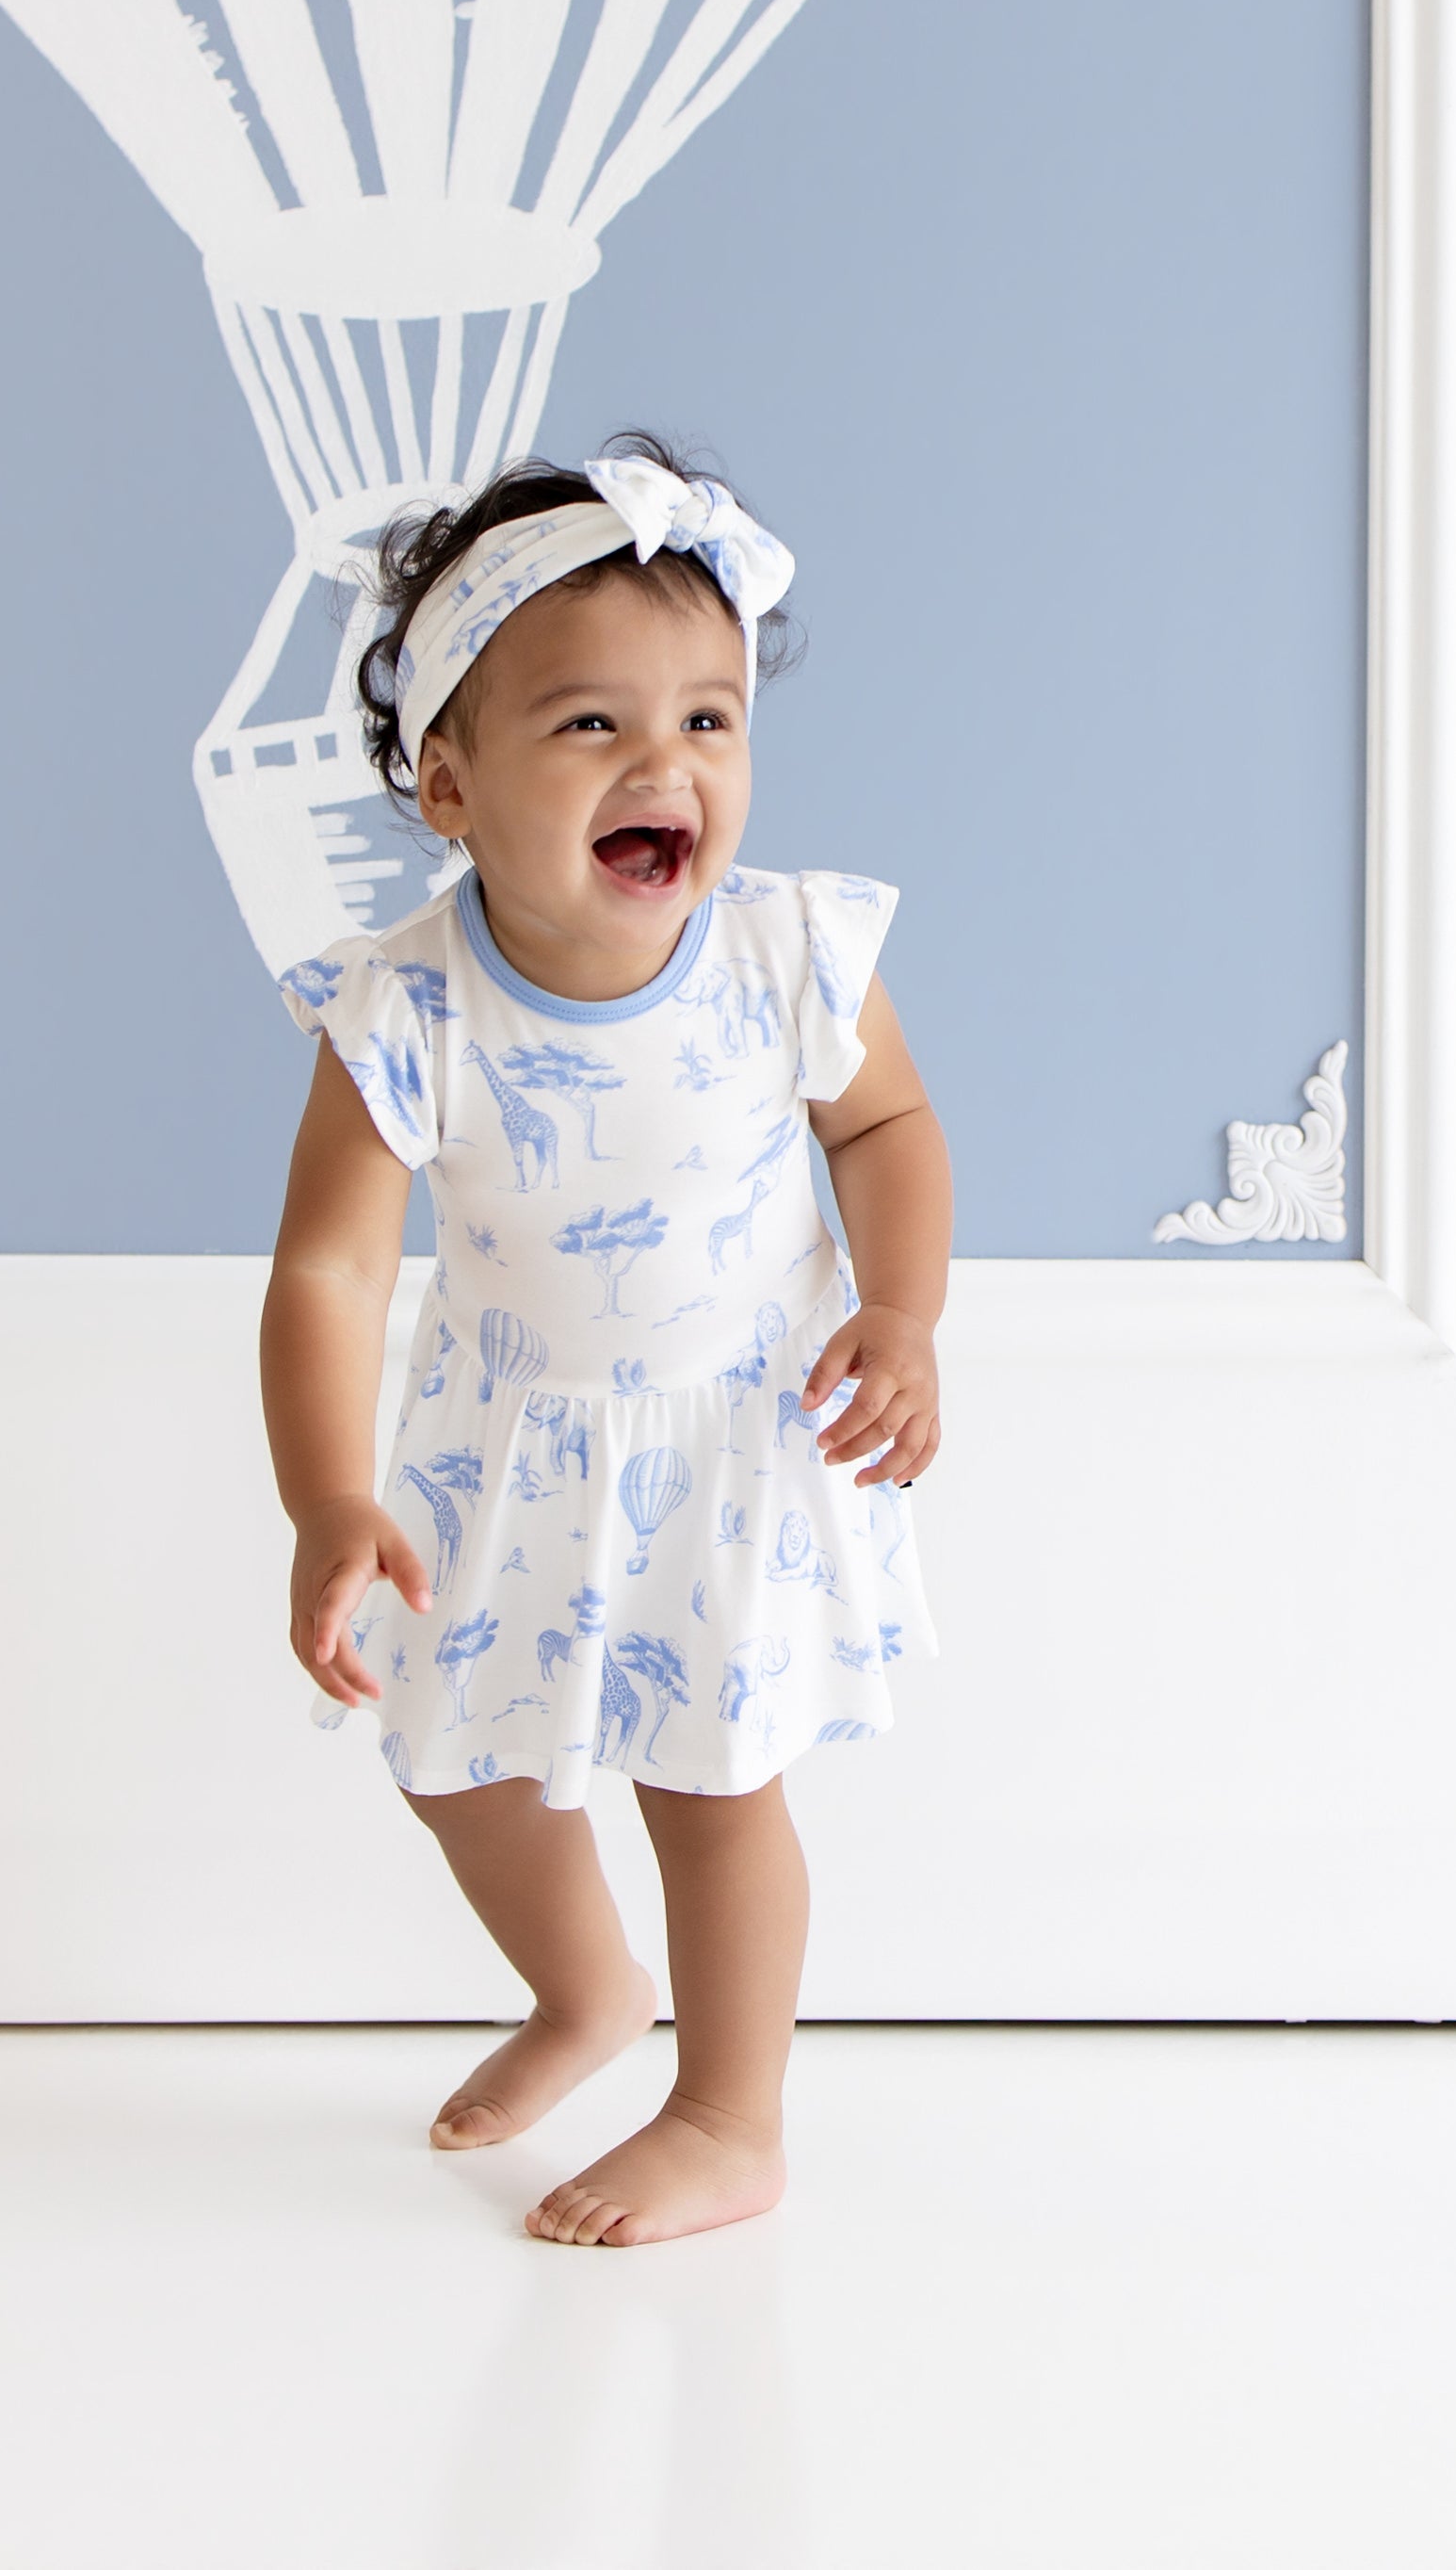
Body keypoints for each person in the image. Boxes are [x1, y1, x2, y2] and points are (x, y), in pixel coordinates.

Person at [261, 432, 951, 2248]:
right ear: (447, 782)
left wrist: (902, 1312)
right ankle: (586, 1993)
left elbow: (882, 1133)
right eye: (591, 727)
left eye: (710, 721)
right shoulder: (402, 1004)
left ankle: (731, 2112)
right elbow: (329, 1275)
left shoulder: (785, 955)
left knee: (710, 1782)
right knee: (452, 1757)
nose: (667, 767)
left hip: (734, 1433)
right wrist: (328, 1498)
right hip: (503, 1448)